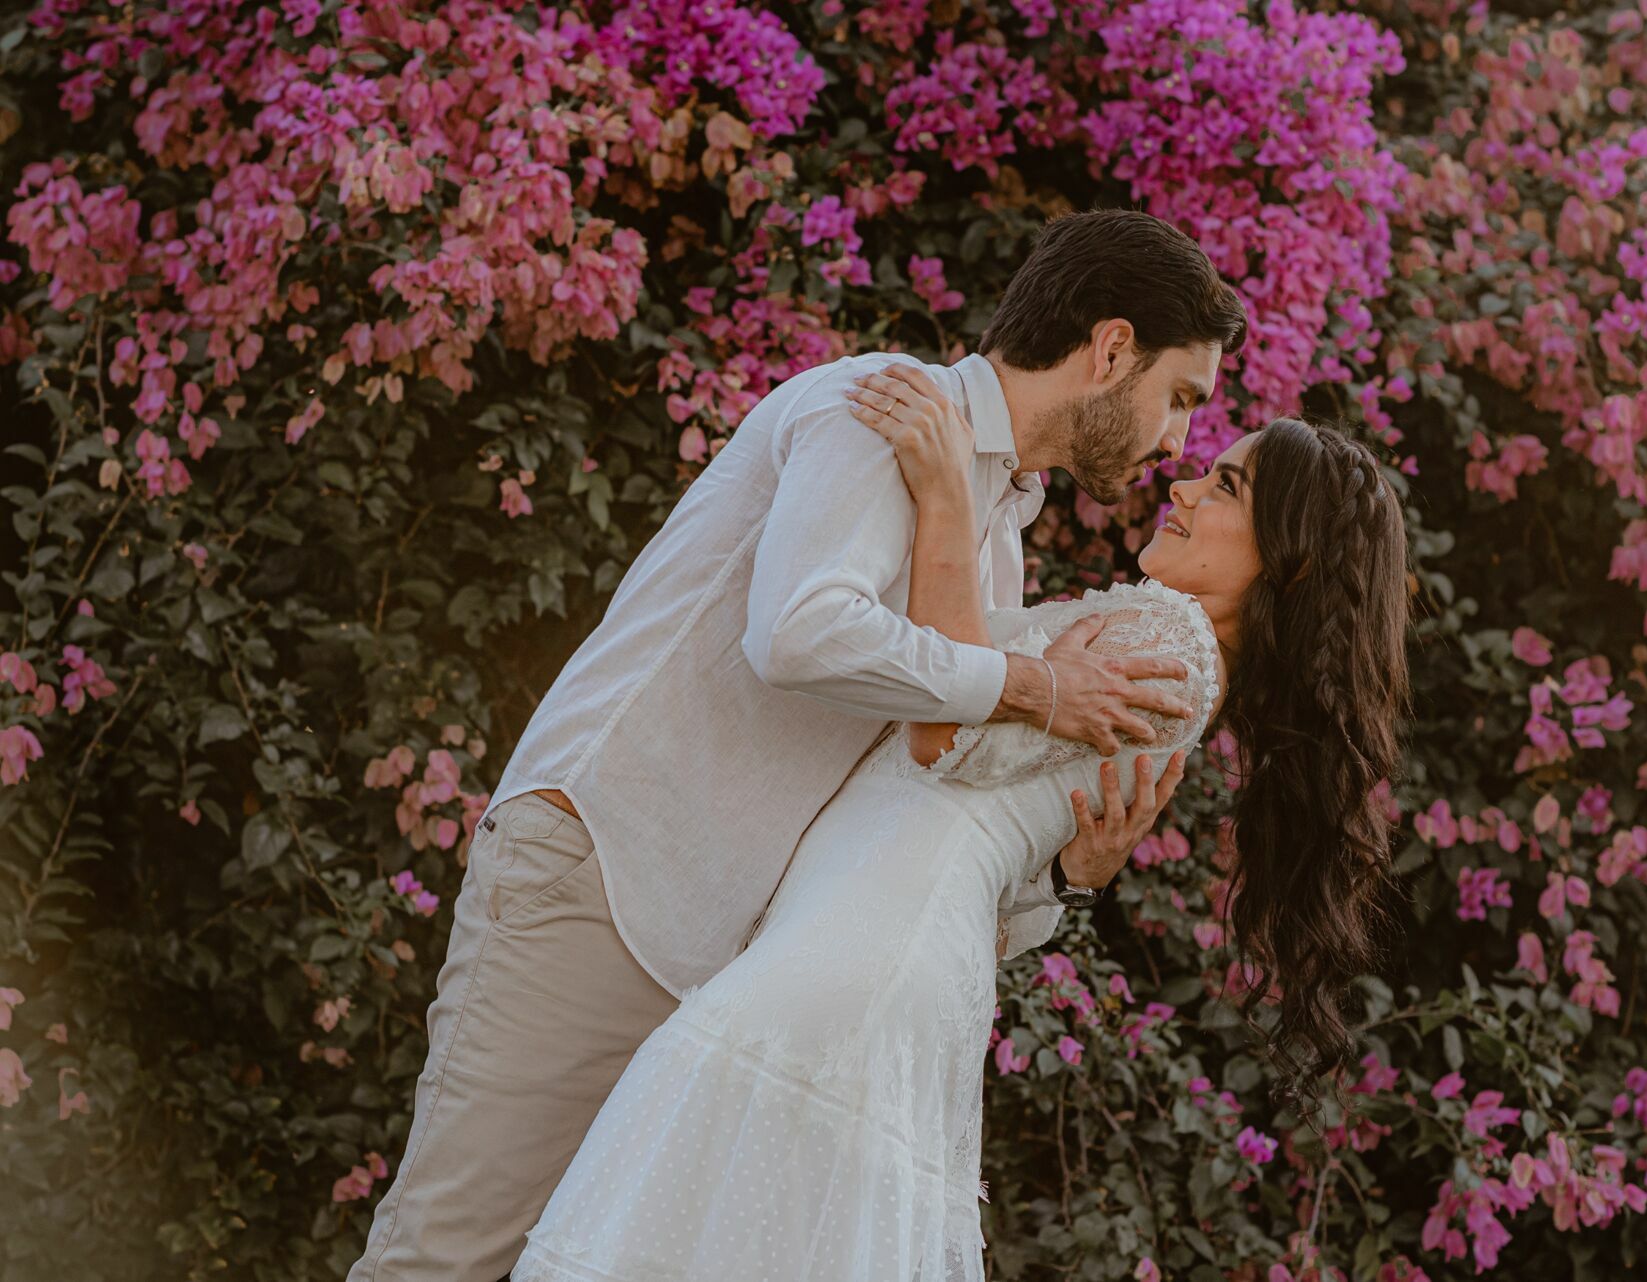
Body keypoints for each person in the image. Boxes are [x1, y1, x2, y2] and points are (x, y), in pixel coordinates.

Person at [347, 209, 1250, 1282]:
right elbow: (799, 630)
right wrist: (1036, 684)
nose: (1178, 440)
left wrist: (1067, 872)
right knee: (443, 1261)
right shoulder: (881, 409)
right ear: (1110, 350)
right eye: (1180, 396)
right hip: (607, 879)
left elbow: (920, 800)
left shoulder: (994, 531)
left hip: (727, 957)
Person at [511, 365, 1412, 1282]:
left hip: (864, 950)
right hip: (879, 941)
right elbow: (986, 799)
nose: (1182, 483)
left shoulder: (1169, 642)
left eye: (1227, 485)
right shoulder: (1170, 641)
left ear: (1290, 556)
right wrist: (1068, 878)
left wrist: (944, 493)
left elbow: (943, 735)